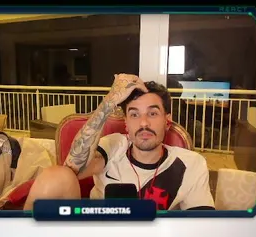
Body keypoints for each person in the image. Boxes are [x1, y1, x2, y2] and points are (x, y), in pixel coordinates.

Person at [24, 74, 215, 212]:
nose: (143, 123)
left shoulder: (191, 163)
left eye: (152, 113)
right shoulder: (115, 145)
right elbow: (72, 167)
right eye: (134, 114)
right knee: (56, 175)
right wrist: (109, 102)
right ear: (126, 124)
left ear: (167, 121)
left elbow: (201, 227)